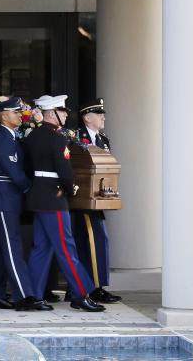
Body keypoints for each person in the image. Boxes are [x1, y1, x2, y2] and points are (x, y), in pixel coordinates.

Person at [24, 94, 105, 312]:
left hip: (39, 196)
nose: (66, 115)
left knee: (42, 247)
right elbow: (65, 172)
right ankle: (81, 294)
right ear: (51, 114)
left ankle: (32, 295)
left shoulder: (32, 136)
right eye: (62, 112)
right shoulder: (57, 138)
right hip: (54, 197)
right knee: (66, 248)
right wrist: (72, 189)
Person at [0, 97, 53, 311]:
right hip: (3, 197)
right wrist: (31, 190)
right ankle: (25, 296)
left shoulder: (11, 137)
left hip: (9, 196)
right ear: (3, 116)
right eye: (14, 113)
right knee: (12, 247)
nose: (19, 116)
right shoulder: (0, 138)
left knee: (2, 247)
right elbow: (14, 172)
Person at [69, 98, 121, 304]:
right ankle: (89, 287)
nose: (103, 118)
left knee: (99, 241)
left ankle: (97, 286)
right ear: (87, 118)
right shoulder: (77, 138)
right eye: (99, 115)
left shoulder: (103, 140)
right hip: (82, 200)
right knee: (89, 242)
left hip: (98, 199)